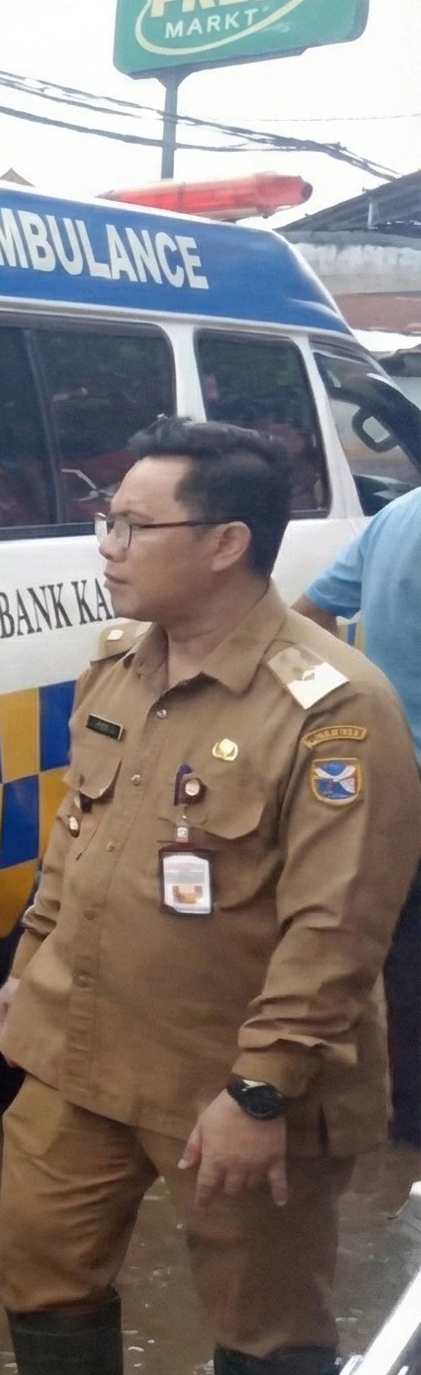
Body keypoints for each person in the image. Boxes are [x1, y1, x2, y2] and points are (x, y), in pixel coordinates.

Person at [0, 420, 421, 1375]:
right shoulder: (118, 663)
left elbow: (336, 929)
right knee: (41, 1258)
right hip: (79, 1042)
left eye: (129, 522)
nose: (103, 542)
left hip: (231, 1074)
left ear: (223, 544)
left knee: (260, 1305)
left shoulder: (333, 707)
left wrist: (260, 1092)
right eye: (104, 516)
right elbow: (80, 840)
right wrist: (29, 961)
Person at [292, 484, 421, 1145]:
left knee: (398, 952)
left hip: (394, 779)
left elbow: (307, 616)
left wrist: (340, 703)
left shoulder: (399, 515)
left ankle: (402, 1114)